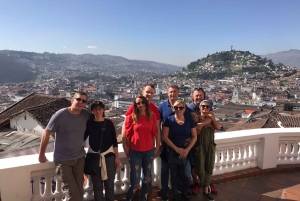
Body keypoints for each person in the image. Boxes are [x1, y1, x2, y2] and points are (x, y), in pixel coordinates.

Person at [38, 92, 90, 201]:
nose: (81, 102)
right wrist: (41, 154)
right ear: (72, 100)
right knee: (72, 194)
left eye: (84, 101)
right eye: (78, 99)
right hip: (63, 160)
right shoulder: (60, 115)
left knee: (79, 191)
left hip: (80, 158)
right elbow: (46, 133)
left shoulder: (86, 115)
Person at [158, 85, 197, 201]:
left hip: (184, 148)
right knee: (166, 171)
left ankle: (182, 191)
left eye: (174, 92)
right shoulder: (162, 107)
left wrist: (200, 122)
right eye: (170, 92)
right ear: (167, 93)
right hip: (168, 147)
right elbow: (157, 124)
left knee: (184, 173)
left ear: (178, 93)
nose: (172, 94)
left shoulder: (185, 110)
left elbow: (194, 118)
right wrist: (159, 141)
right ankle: (167, 192)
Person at [84, 101, 120, 201]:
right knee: (97, 186)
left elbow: (114, 141)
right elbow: (82, 138)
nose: (98, 111)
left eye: (100, 109)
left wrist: (117, 158)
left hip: (109, 156)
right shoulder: (89, 123)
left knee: (109, 185)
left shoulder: (109, 123)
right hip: (94, 158)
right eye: (95, 109)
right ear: (92, 111)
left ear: (103, 110)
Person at [125, 95, 158, 201]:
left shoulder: (152, 116)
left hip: (148, 152)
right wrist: (126, 148)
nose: (141, 105)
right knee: (135, 182)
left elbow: (154, 134)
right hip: (135, 152)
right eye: (138, 103)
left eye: (142, 102)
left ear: (146, 103)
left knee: (146, 179)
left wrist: (155, 147)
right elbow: (126, 135)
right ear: (135, 105)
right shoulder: (132, 117)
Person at [187, 88, 218, 195]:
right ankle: (197, 182)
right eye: (196, 95)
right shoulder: (189, 108)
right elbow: (194, 120)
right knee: (195, 164)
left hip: (207, 140)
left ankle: (206, 183)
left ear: (204, 97)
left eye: (200, 95)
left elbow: (212, 119)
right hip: (193, 140)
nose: (198, 97)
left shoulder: (207, 105)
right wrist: (204, 122)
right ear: (193, 97)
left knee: (207, 164)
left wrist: (203, 124)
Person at [122, 84, 160, 158]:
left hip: (149, 148)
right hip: (135, 147)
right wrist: (125, 146)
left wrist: (157, 146)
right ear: (143, 92)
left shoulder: (154, 109)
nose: (149, 94)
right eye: (147, 92)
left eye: (152, 93)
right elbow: (125, 127)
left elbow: (157, 129)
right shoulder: (135, 106)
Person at [195, 100, 221, 201]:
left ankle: (205, 190)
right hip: (200, 146)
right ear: (200, 107)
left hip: (210, 146)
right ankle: (206, 185)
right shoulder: (196, 118)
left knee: (209, 168)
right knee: (200, 170)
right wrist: (207, 123)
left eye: (207, 107)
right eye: (203, 106)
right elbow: (196, 126)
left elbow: (218, 126)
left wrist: (212, 118)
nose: (205, 108)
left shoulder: (211, 118)